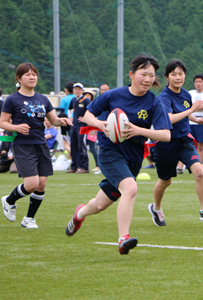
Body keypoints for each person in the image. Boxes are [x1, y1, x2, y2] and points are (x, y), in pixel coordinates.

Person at [65, 54, 172, 255]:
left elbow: (165, 135)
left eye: (151, 75)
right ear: (132, 74)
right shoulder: (113, 95)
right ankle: (123, 238)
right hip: (109, 151)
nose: (148, 79)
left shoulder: (154, 103)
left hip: (134, 156)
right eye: (143, 74)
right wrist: (100, 124)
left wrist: (139, 131)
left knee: (100, 204)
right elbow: (87, 114)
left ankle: (79, 214)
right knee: (130, 188)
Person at [148, 59, 203, 227]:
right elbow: (170, 118)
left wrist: (197, 119)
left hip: (184, 142)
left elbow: (186, 114)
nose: (178, 77)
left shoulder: (186, 95)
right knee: (165, 181)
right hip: (166, 144)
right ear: (167, 77)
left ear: (184, 75)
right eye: (174, 74)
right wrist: (192, 110)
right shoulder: (164, 97)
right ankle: (156, 208)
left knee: (199, 172)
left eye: (180, 74)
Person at [0, 62, 72, 229]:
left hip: (41, 144)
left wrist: (62, 121)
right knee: (31, 184)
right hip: (23, 145)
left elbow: (53, 120)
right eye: (27, 74)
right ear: (18, 78)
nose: (32, 77)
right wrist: (16, 127)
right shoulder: (12, 99)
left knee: (41, 184)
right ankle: (9, 200)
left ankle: (29, 218)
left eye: (34, 74)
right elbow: (2, 122)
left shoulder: (43, 99)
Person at [67, 83, 91, 173]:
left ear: (82, 91)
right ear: (73, 90)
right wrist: (70, 117)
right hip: (74, 126)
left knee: (82, 146)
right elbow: (69, 109)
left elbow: (92, 110)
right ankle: (74, 166)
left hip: (83, 127)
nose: (77, 91)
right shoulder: (73, 99)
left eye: (79, 89)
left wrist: (85, 119)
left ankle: (85, 167)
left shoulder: (86, 100)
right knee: (73, 146)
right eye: (75, 89)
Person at [188, 74, 203, 163]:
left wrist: (193, 108)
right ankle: (183, 166)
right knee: (188, 144)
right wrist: (194, 107)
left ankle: (201, 165)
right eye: (196, 82)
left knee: (201, 145)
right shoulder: (190, 93)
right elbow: (187, 107)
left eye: (200, 82)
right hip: (190, 121)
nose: (198, 84)